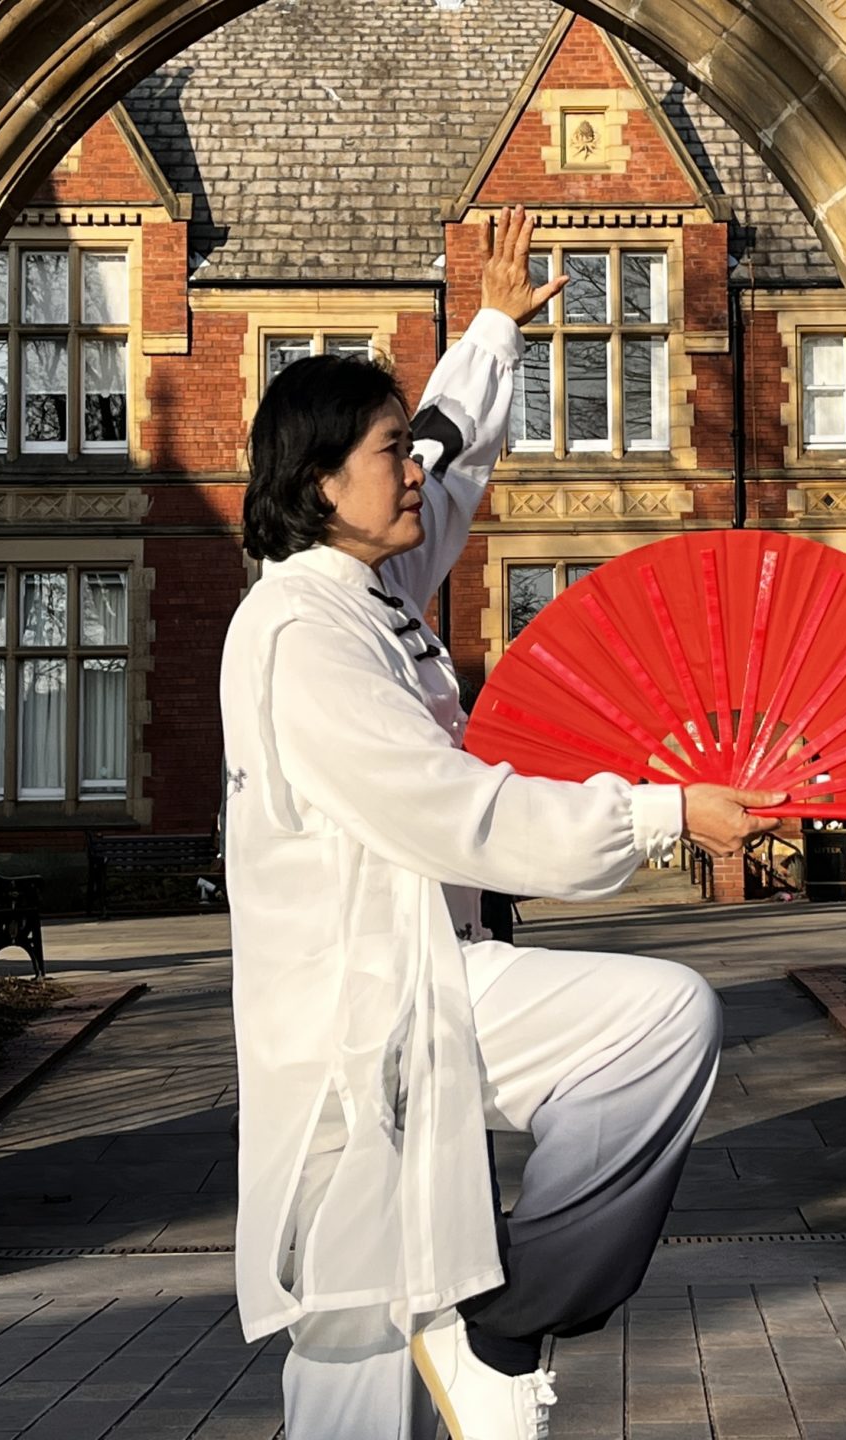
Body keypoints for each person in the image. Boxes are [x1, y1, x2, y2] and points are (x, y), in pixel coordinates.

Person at [219, 206, 783, 1440]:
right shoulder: (303, 636)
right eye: (382, 457)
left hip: (422, 993)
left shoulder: (364, 587)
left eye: (400, 453)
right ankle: (502, 1325)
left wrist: (485, 329)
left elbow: (451, 453)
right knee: (355, 1346)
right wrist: (662, 811)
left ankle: (497, 1325)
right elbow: (455, 814)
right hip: (368, 1017)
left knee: (361, 1345)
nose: (409, 471)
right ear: (321, 487)